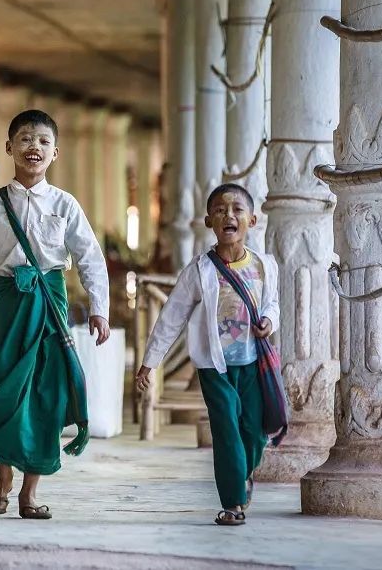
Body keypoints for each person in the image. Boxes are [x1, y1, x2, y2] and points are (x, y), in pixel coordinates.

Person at [0, 109, 111, 520]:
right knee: (8, 390)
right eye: (25, 139)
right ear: (9, 148)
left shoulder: (65, 204)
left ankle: (29, 491)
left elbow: (90, 258)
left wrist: (100, 309)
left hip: (52, 301)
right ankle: (3, 477)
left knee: (47, 393)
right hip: (9, 304)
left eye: (43, 141)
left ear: (55, 152)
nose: (33, 147)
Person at [134, 183, 279, 526]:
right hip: (215, 366)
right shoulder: (200, 270)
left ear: (252, 220)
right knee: (226, 428)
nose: (229, 215)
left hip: (253, 362)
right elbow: (171, 317)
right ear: (209, 221)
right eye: (220, 210)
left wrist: (269, 321)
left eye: (237, 209)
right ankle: (232, 503)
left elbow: (272, 303)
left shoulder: (264, 266)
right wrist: (148, 362)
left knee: (256, 433)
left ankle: (242, 475)